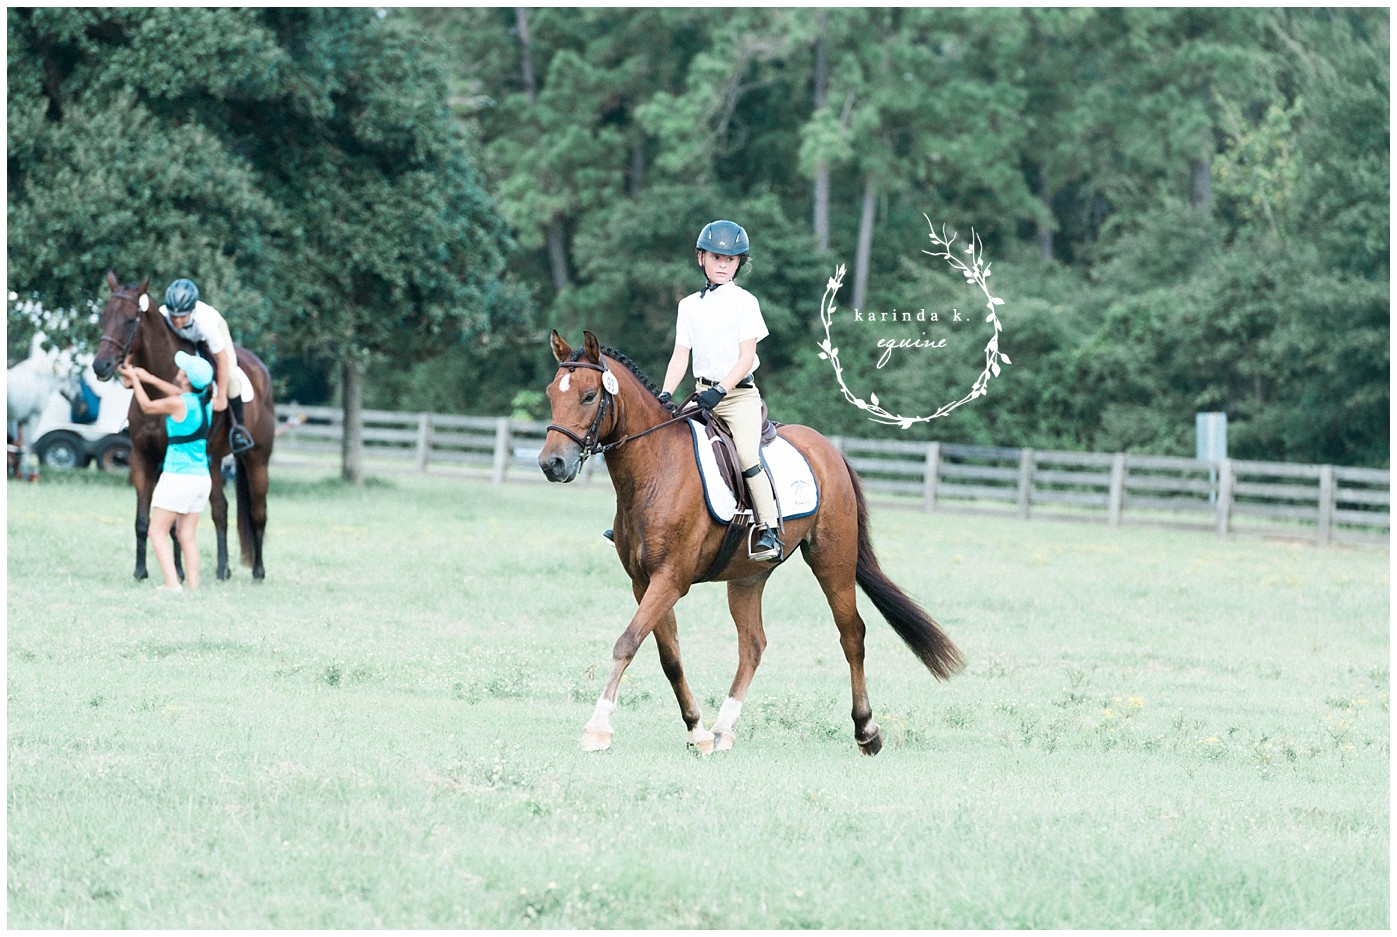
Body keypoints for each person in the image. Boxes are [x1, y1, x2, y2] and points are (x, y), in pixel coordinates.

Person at [659, 219, 783, 562]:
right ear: (701, 258)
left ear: (739, 262)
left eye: (731, 259)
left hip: (738, 397)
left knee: (746, 455)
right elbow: (680, 356)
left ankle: (769, 530)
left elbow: (748, 356)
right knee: (664, 445)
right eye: (716, 257)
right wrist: (666, 395)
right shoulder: (688, 305)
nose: (723, 264)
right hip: (701, 396)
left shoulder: (745, 302)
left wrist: (722, 389)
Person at [118, 351, 215, 592]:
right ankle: (193, 587)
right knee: (187, 535)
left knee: (156, 531)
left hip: (178, 477)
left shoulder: (179, 403)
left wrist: (135, 380)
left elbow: (148, 406)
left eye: (183, 371)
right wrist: (148, 377)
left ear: (187, 379)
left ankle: (172, 584)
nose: (179, 372)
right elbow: (177, 394)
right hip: (201, 478)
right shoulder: (204, 402)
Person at [161, 278, 254, 454]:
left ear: (191, 311)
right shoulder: (164, 314)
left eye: (182, 317)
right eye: (173, 316)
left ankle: (238, 429)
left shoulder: (205, 323)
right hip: (185, 340)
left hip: (211, 334)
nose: (177, 322)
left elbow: (223, 358)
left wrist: (221, 398)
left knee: (232, 375)